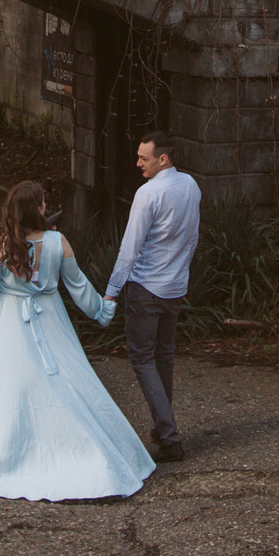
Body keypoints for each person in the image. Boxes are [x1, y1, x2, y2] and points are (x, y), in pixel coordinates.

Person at [0, 180, 155, 501]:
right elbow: (78, 286)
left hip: (10, 325)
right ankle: (91, 456)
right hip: (52, 320)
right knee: (69, 383)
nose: (45, 206)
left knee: (13, 393)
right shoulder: (57, 241)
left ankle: (13, 460)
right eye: (42, 202)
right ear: (36, 208)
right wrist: (101, 310)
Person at [104, 131, 200, 461]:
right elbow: (192, 238)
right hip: (174, 288)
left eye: (143, 158)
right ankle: (163, 429)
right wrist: (180, 274)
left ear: (163, 158)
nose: (137, 163)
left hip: (146, 289)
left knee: (143, 359)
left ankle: (170, 439)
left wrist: (111, 292)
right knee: (163, 359)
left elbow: (129, 248)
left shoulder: (148, 194)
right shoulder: (191, 185)